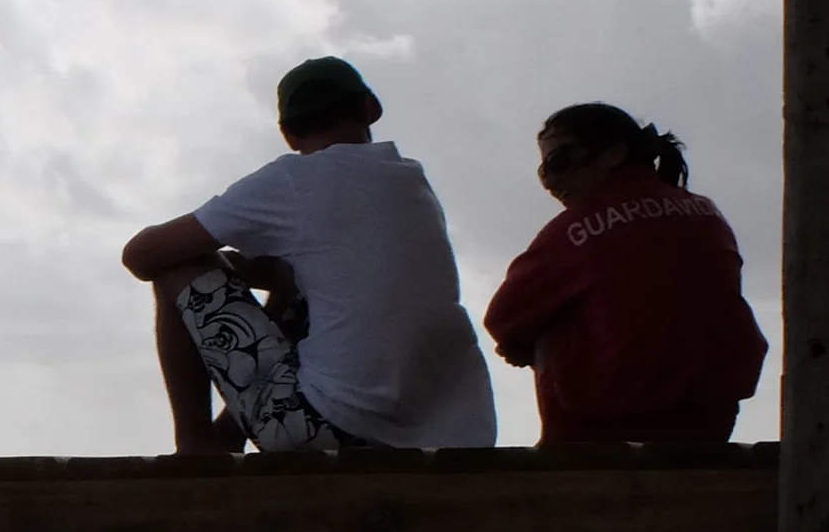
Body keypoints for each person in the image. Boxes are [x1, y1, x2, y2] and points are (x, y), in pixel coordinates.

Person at [120, 56, 496, 453]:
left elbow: (142, 255)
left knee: (179, 265)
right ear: (371, 107)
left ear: (288, 135)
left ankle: (196, 451)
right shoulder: (410, 181)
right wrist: (272, 273)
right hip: (454, 434)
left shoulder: (292, 180)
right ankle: (227, 437)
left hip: (331, 426)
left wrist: (227, 266)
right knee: (300, 279)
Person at [480, 103, 766, 443]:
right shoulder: (708, 214)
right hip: (711, 421)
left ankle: (558, 448)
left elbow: (502, 319)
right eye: (544, 172)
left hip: (607, 427)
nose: (551, 183)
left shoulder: (574, 231)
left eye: (558, 162)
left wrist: (520, 343)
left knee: (545, 316)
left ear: (614, 154)